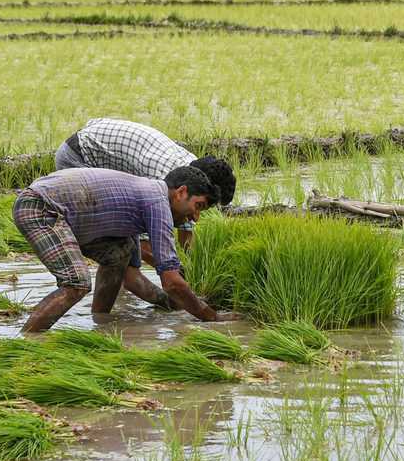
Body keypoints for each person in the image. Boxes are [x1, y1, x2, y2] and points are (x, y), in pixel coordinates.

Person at [12, 165, 236, 333]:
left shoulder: (143, 201)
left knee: (120, 254)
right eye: (198, 206)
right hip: (41, 207)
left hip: (65, 212)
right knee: (76, 283)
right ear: (180, 192)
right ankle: (28, 339)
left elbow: (130, 277)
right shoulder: (157, 204)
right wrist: (211, 316)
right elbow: (172, 282)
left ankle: (100, 323)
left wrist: (170, 304)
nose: (195, 217)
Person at [55, 117, 236, 261]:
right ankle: (119, 292)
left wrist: (195, 266)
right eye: (204, 204)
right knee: (119, 242)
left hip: (107, 148)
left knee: (126, 249)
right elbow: (145, 238)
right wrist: (176, 274)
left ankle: (122, 294)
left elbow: (185, 227)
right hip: (80, 156)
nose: (198, 214)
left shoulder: (193, 171)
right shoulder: (163, 178)